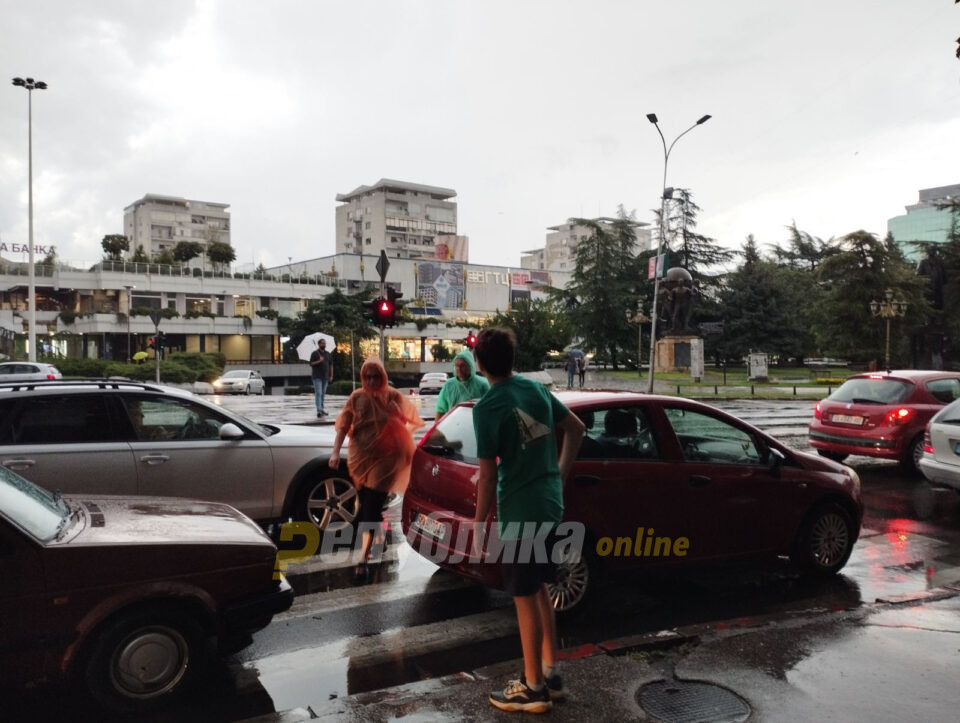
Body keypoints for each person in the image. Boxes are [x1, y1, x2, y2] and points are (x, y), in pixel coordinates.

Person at [471, 327, 585, 713]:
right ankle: (552, 675)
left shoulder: (487, 408)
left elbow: (487, 475)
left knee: (523, 597)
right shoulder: (535, 390)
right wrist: (560, 474)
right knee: (539, 590)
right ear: (512, 359)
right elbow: (577, 429)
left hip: (520, 514)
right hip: (550, 506)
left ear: (480, 364)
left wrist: (478, 522)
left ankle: (532, 687)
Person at [329, 357, 423, 580]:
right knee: (367, 503)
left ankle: (363, 556)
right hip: (360, 458)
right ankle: (375, 537)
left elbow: (408, 421)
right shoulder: (356, 397)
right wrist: (335, 452)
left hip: (384, 462)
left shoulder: (392, 395)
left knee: (370, 506)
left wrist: (395, 413)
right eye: (367, 376)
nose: (371, 380)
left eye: (376, 376)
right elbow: (343, 427)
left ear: (383, 376)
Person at [434, 349, 490, 418]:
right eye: (456, 366)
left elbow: (489, 409)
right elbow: (441, 410)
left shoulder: (482, 384)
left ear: (470, 366)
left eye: (462, 366)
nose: (459, 369)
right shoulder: (448, 385)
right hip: (454, 425)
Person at [309, 337, 334, 418]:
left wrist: (331, 375)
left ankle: (322, 409)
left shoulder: (328, 354)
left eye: (325, 343)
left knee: (323, 394)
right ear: (319, 344)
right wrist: (319, 361)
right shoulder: (314, 353)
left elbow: (331, 365)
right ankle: (319, 409)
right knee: (318, 393)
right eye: (322, 343)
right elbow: (311, 364)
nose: (324, 344)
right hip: (317, 377)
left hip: (325, 377)